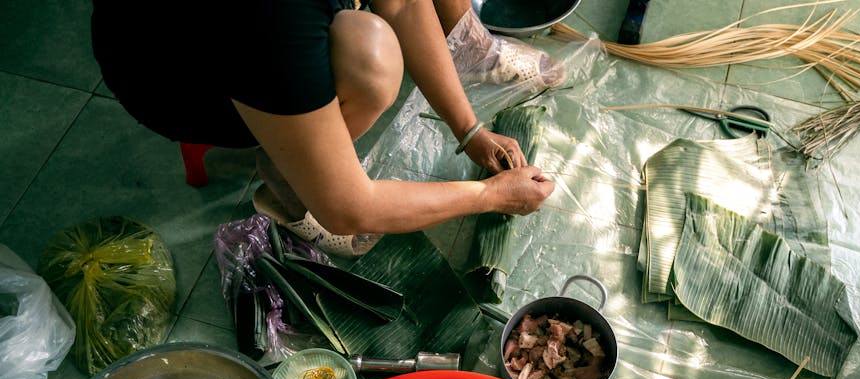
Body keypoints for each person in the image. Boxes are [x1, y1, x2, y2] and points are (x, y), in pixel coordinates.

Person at [90, 0, 559, 255]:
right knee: (372, 63)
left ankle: (295, 143)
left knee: (369, 38)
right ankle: (287, 187)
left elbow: (402, 5)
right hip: (172, 78)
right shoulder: (271, 18)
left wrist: (469, 128)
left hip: (242, 43)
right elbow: (351, 208)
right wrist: (493, 196)